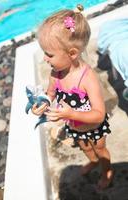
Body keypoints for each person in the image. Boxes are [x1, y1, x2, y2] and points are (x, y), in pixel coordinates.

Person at [32, 4, 113, 190]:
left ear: (72, 53)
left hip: (93, 126)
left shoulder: (88, 78)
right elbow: (50, 93)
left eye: (49, 54)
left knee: (100, 149)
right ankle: (92, 161)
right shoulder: (56, 73)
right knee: (85, 147)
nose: (45, 58)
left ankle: (107, 171)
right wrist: (43, 103)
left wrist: (70, 114)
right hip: (74, 125)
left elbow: (99, 114)